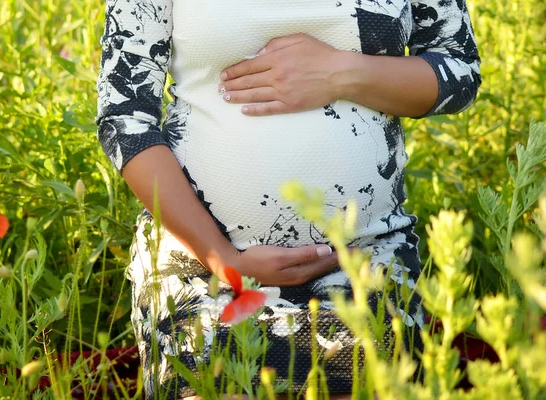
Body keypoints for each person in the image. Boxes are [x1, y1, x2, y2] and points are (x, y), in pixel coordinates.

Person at [96, 0, 481, 398]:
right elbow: (124, 116)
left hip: (365, 258)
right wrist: (224, 262)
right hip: (200, 267)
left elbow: (460, 71)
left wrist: (340, 72)